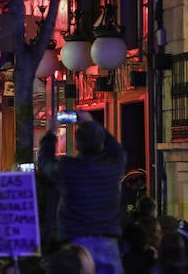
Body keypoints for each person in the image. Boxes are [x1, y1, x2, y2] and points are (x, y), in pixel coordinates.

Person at [38, 110, 126, 274]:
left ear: (77, 145)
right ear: (101, 143)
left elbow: (45, 162)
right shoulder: (112, 166)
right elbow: (118, 150)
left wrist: (51, 134)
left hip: (76, 239)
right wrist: (91, 123)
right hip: (107, 238)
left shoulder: (68, 168)